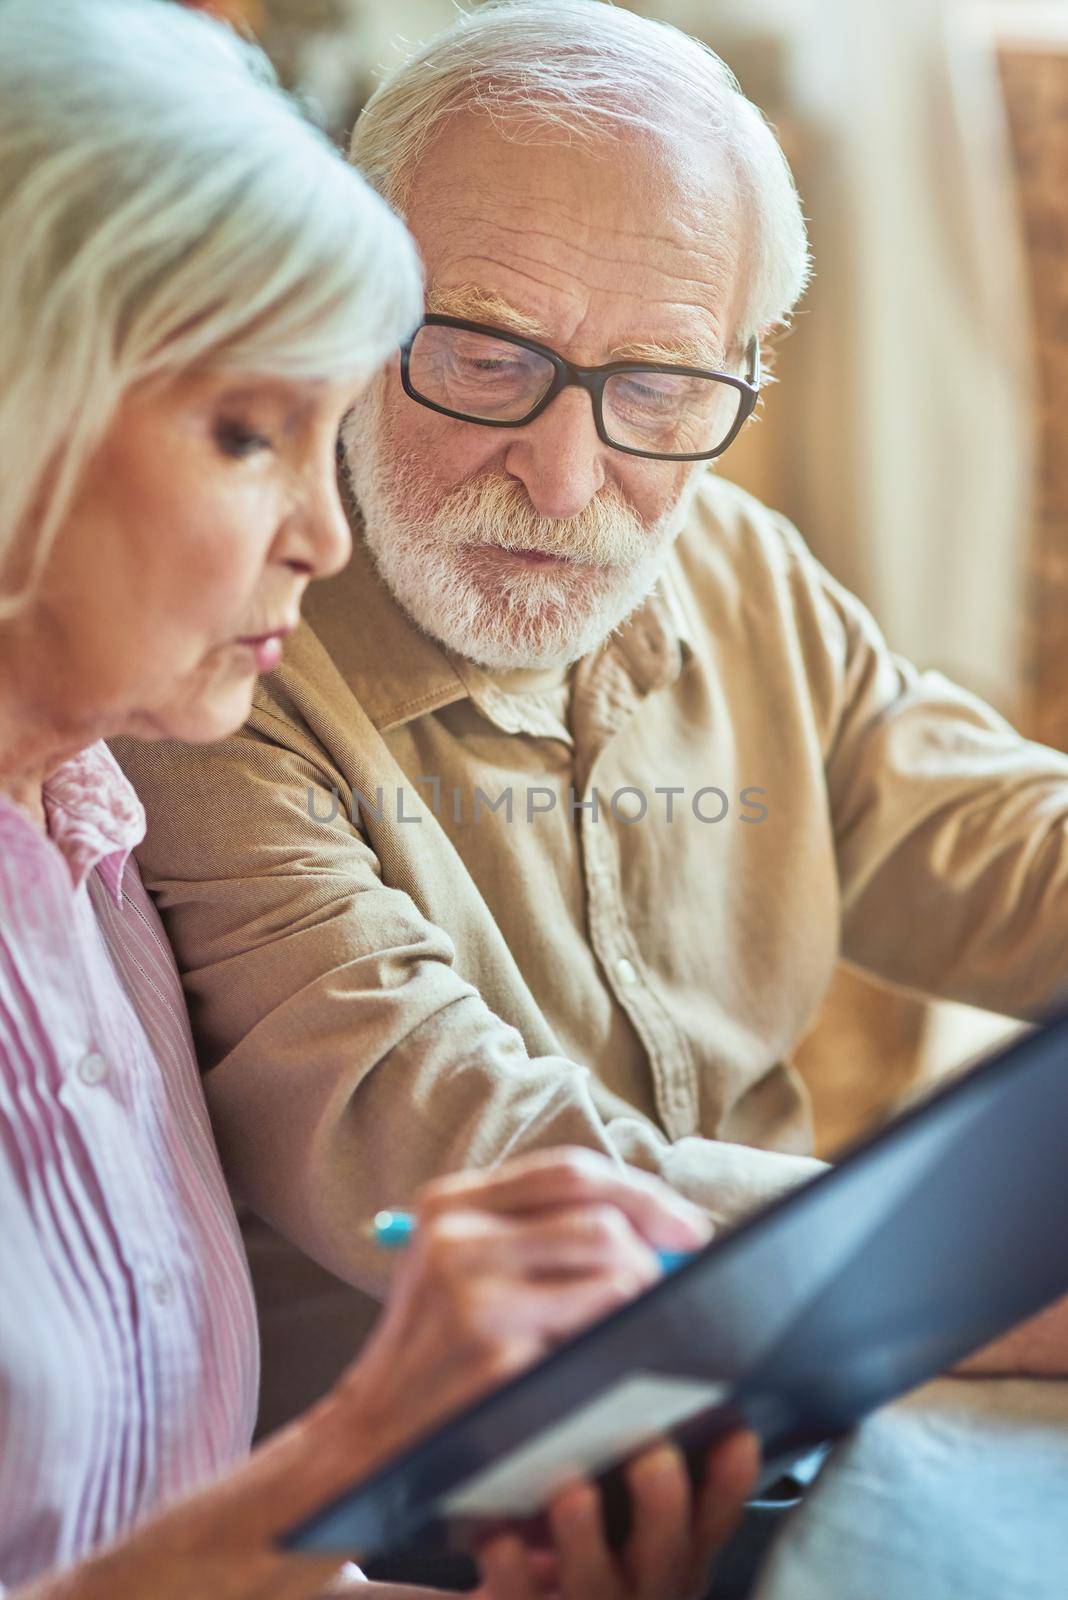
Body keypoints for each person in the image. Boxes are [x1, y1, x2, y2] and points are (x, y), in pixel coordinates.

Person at [115, 0, 1068, 1426]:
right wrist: (974, 1276)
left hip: (778, 1427)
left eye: (663, 387)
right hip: (436, 1516)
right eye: (488, 360)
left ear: (744, 376)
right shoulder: (216, 654)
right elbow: (468, 1151)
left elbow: (1001, 839)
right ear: (351, 314)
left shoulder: (736, 568)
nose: (564, 481)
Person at [0, 2, 759, 1595]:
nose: (323, 537)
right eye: (245, 434)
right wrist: (353, 1460)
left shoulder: (85, 841)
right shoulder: (199, 765)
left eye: (322, 433)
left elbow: (149, 1515)